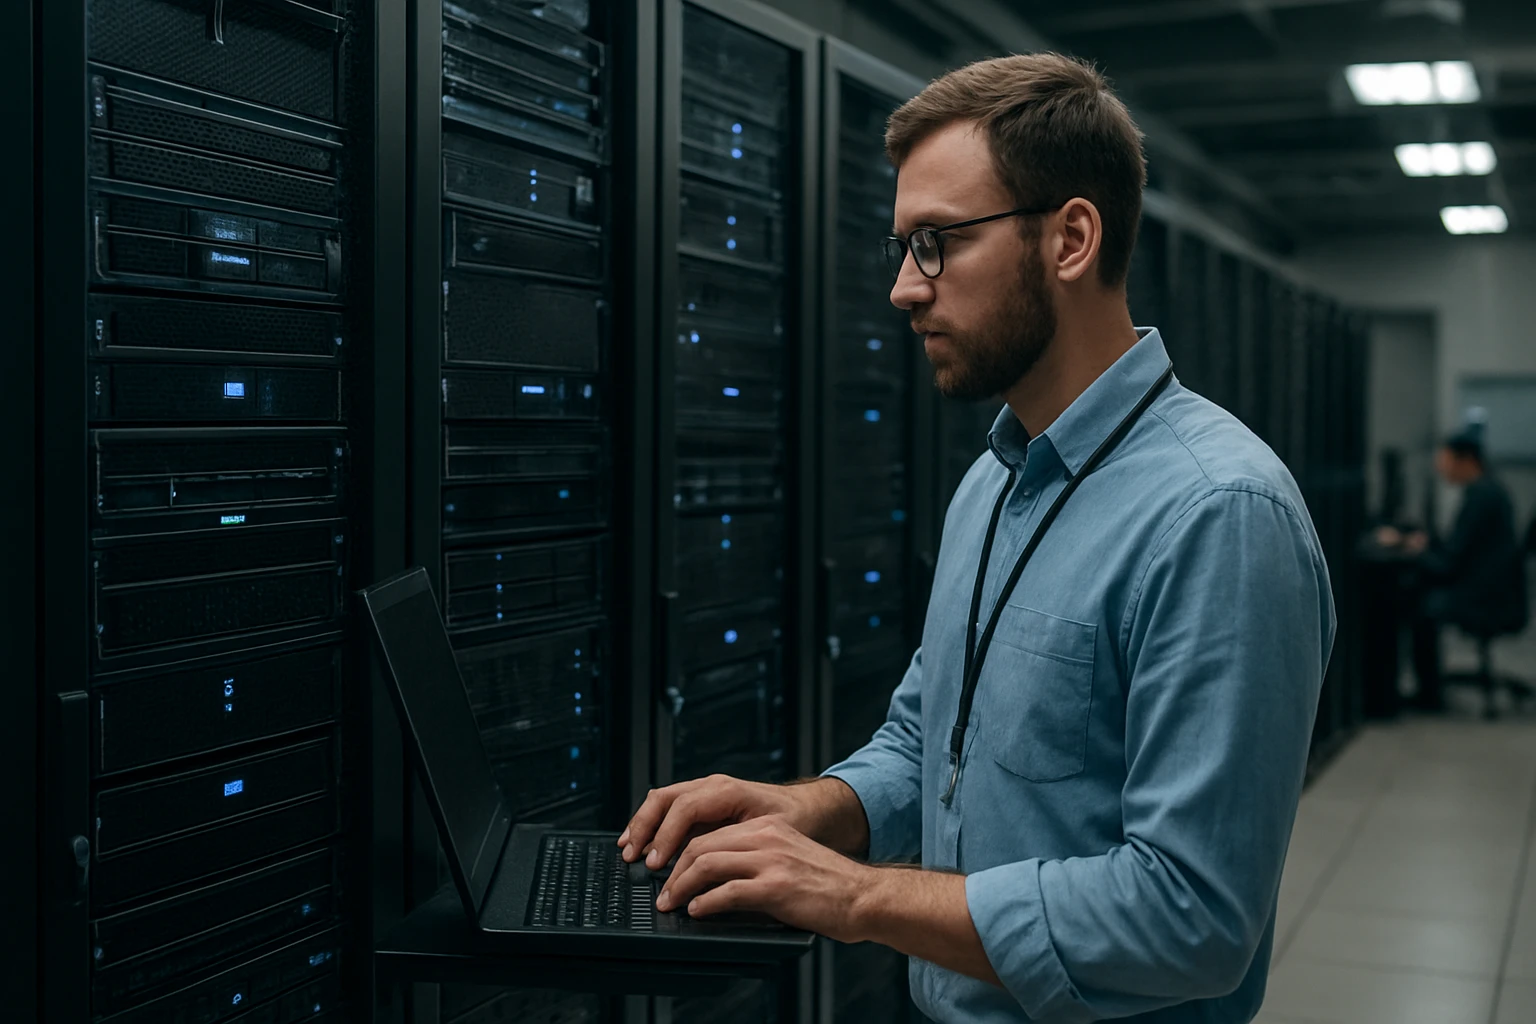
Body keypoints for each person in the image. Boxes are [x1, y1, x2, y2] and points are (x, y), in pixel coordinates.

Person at [619, 53, 1334, 1023]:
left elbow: (1193, 916)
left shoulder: (1219, 515)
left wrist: (856, 893)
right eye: (903, 247)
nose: (905, 290)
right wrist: (809, 809)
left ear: (1070, 239)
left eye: (937, 243)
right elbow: (932, 738)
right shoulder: (992, 480)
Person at [1378, 431, 1525, 715]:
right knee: (1418, 596)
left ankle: (1428, 696)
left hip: (1483, 598)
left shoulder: (1481, 497)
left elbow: (1448, 565)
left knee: (1419, 607)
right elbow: (1459, 551)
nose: (1440, 468)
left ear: (1466, 460)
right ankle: (1426, 691)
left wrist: (1412, 549)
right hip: (1491, 590)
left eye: (1445, 460)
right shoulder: (1489, 492)